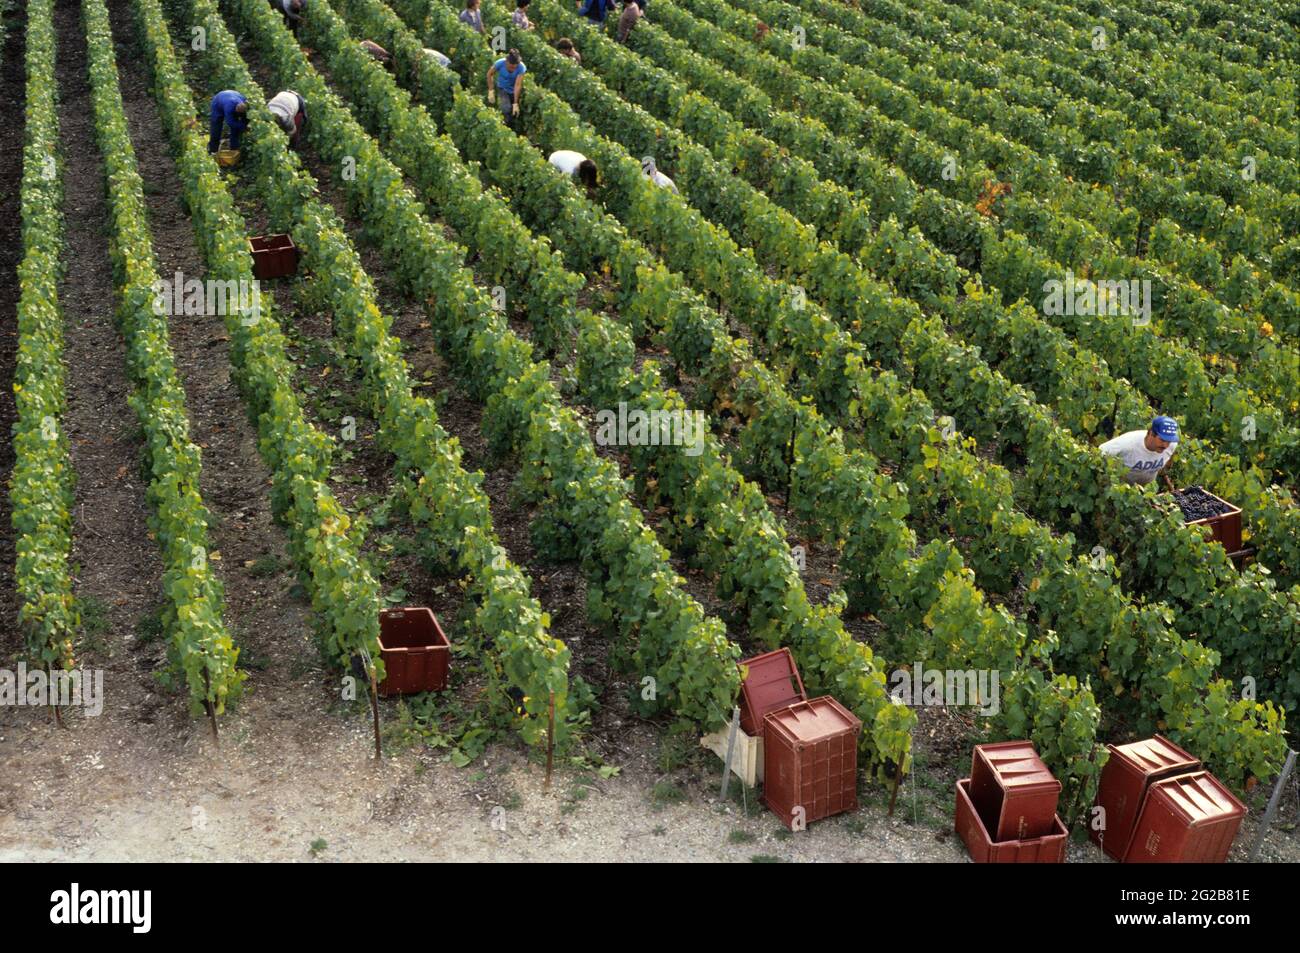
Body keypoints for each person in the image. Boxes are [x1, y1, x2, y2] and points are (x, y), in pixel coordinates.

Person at [1099, 415, 1179, 486]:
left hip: (1146, 493)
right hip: (1121, 491)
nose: (1165, 445)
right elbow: (1100, 452)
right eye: (1162, 440)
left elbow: (1168, 459)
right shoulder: (1127, 444)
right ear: (1151, 433)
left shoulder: (1171, 445)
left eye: (1169, 441)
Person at [487, 49, 527, 127]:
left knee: (514, 111)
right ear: (506, 62)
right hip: (503, 88)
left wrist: (515, 103)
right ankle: (504, 126)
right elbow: (489, 74)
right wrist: (491, 90)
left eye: (514, 68)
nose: (512, 69)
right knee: (506, 108)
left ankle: (512, 125)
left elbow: (518, 85)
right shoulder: (500, 63)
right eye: (510, 67)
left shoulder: (521, 67)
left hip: (513, 90)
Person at [208, 89, 248, 154]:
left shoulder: (244, 102)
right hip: (218, 102)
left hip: (232, 94)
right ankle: (213, 150)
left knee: (235, 130)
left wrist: (244, 124)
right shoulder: (229, 108)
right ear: (235, 109)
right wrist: (242, 127)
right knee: (216, 127)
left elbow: (245, 118)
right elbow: (230, 122)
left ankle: (234, 149)